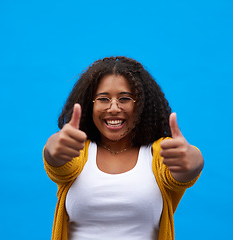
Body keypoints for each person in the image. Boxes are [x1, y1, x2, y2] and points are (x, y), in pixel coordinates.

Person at [43, 56, 204, 240]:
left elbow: (184, 173)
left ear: (142, 105)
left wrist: (194, 160)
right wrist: (52, 146)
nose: (113, 108)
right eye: (103, 99)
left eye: (125, 98)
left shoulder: (157, 155)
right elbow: (56, 160)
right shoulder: (77, 153)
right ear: (90, 104)